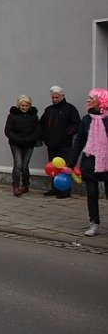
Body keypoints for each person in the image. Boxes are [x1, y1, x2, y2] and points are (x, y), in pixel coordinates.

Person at [67, 88, 108, 237]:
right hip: (90, 161)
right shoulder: (86, 119)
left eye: (91, 98)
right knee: (92, 194)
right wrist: (70, 164)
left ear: (100, 101)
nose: (87, 100)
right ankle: (94, 222)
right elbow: (78, 142)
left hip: (106, 161)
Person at [38, 85, 81, 198]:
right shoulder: (49, 110)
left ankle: (65, 190)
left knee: (65, 167)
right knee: (53, 167)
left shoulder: (70, 109)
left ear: (62, 96)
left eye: (57, 97)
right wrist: (44, 136)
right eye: (53, 97)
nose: (54, 100)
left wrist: (66, 135)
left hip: (64, 145)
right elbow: (41, 124)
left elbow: (76, 124)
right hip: (51, 144)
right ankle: (55, 188)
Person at [4, 94, 40, 196]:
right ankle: (16, 186)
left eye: (26, 106)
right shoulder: (12, 116)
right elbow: (8, 131)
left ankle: (25, 185)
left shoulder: (33, 116)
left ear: (29, 106)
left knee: (25, 165)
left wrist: (28, 139)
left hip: (29, 143)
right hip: (16, 143)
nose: (24, 108)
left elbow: (37, 130)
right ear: (19, 105)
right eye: (22, 105)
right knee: (18, 164)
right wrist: (18, 139)